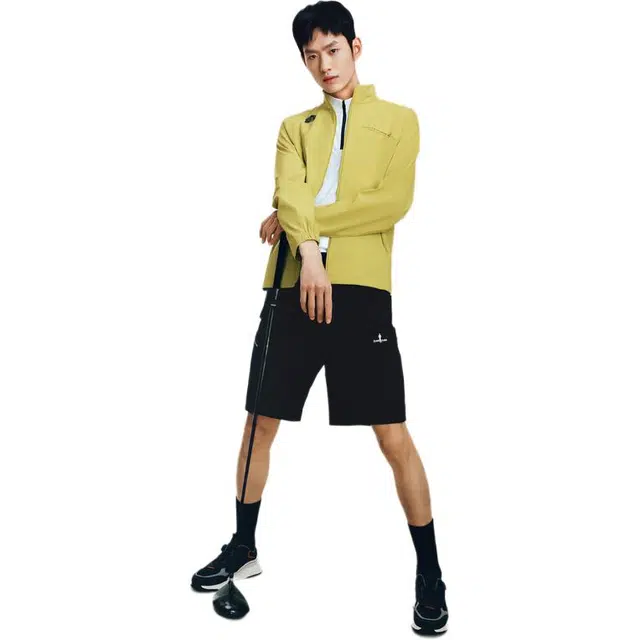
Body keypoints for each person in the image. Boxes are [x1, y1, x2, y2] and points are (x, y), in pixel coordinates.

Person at [191, 1, 449, 634]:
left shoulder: (399, 120)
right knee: (260, 420)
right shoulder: (293, 127)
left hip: (361, 288)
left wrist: (298, 220)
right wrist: (306, 248)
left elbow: (391, 203)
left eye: (332, 50)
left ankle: (431, 573)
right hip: (289, 283)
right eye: (311, 56)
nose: (323, 65)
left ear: (355, 48)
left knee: (392, 434)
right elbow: (289, 191)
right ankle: (243, 544)